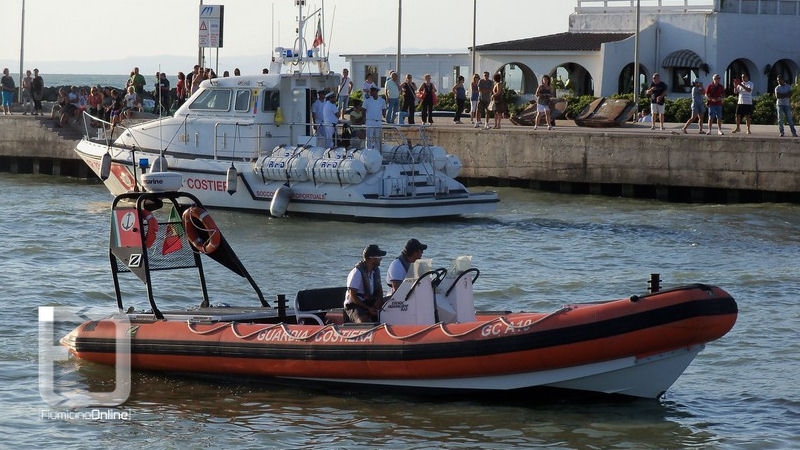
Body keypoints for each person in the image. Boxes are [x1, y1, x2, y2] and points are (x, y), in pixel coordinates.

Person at [344, 244, 387, 323]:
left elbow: (379, 290)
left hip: (369, 302)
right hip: (355, 305)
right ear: (372, 259)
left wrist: (378, 301)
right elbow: (352, 296)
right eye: (379, 258)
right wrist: (368, 308)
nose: (381, 260)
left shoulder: (375, 271)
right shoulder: (357, 272)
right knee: (364, 321)